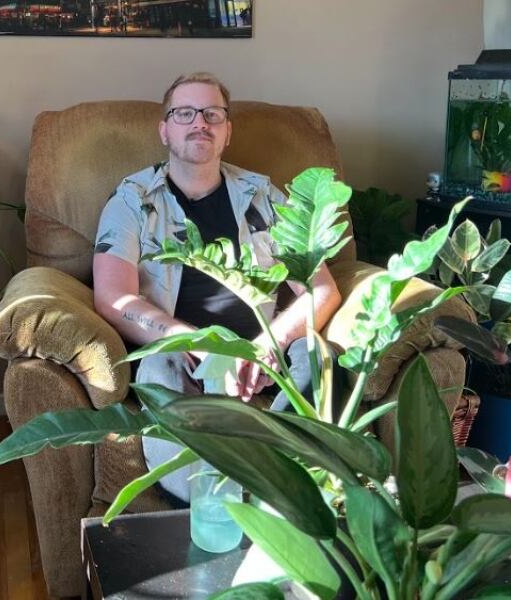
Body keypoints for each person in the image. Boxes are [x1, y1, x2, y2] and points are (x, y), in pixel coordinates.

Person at [93, 72, 341, 503]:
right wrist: (187, 339)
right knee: (157, 369)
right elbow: (113, 298)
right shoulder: (133, 201)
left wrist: (269, 344)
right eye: (184, 113)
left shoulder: (266, 198)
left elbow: (322, 290)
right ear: (164, 130)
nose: (199, 123)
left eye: (213, 114)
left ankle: (285, 489)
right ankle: (210, 505)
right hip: (180, 352)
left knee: (317, 355)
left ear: (227, 132)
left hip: (265, 353)